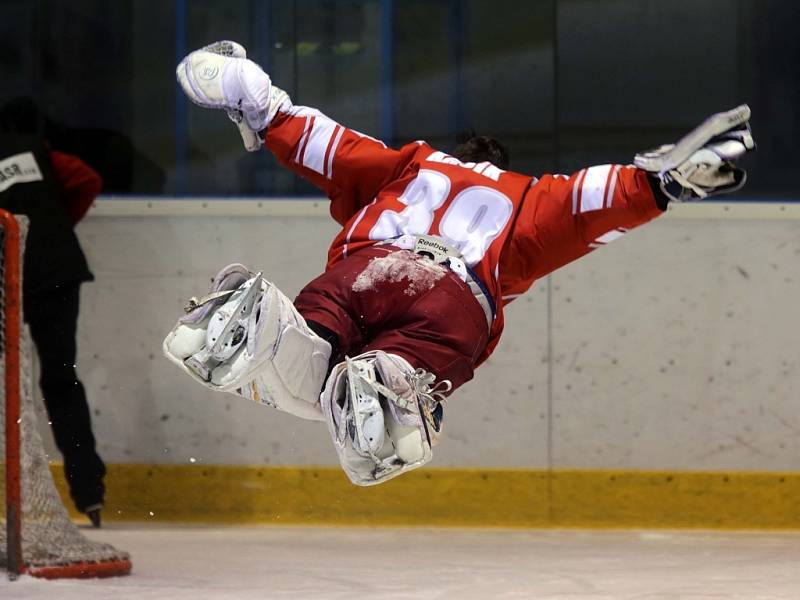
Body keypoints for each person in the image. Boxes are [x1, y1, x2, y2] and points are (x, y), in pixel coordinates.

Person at [164, 42, 754, 486]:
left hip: (367, 269)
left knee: (314, 336)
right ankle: (387, 380)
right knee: (399, 372)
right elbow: (584, 203)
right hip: (455, 299)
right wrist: (658, 184)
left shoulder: (411, 166)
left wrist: (260, 105)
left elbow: (330, 144)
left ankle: (262, 322)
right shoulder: (527, 194)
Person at [0, 103, 107, 525]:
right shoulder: (42, 155)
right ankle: (89, 492)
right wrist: (57, 225)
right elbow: (87, 179)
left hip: (9, 276)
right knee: (61, 379)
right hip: (57, 273)